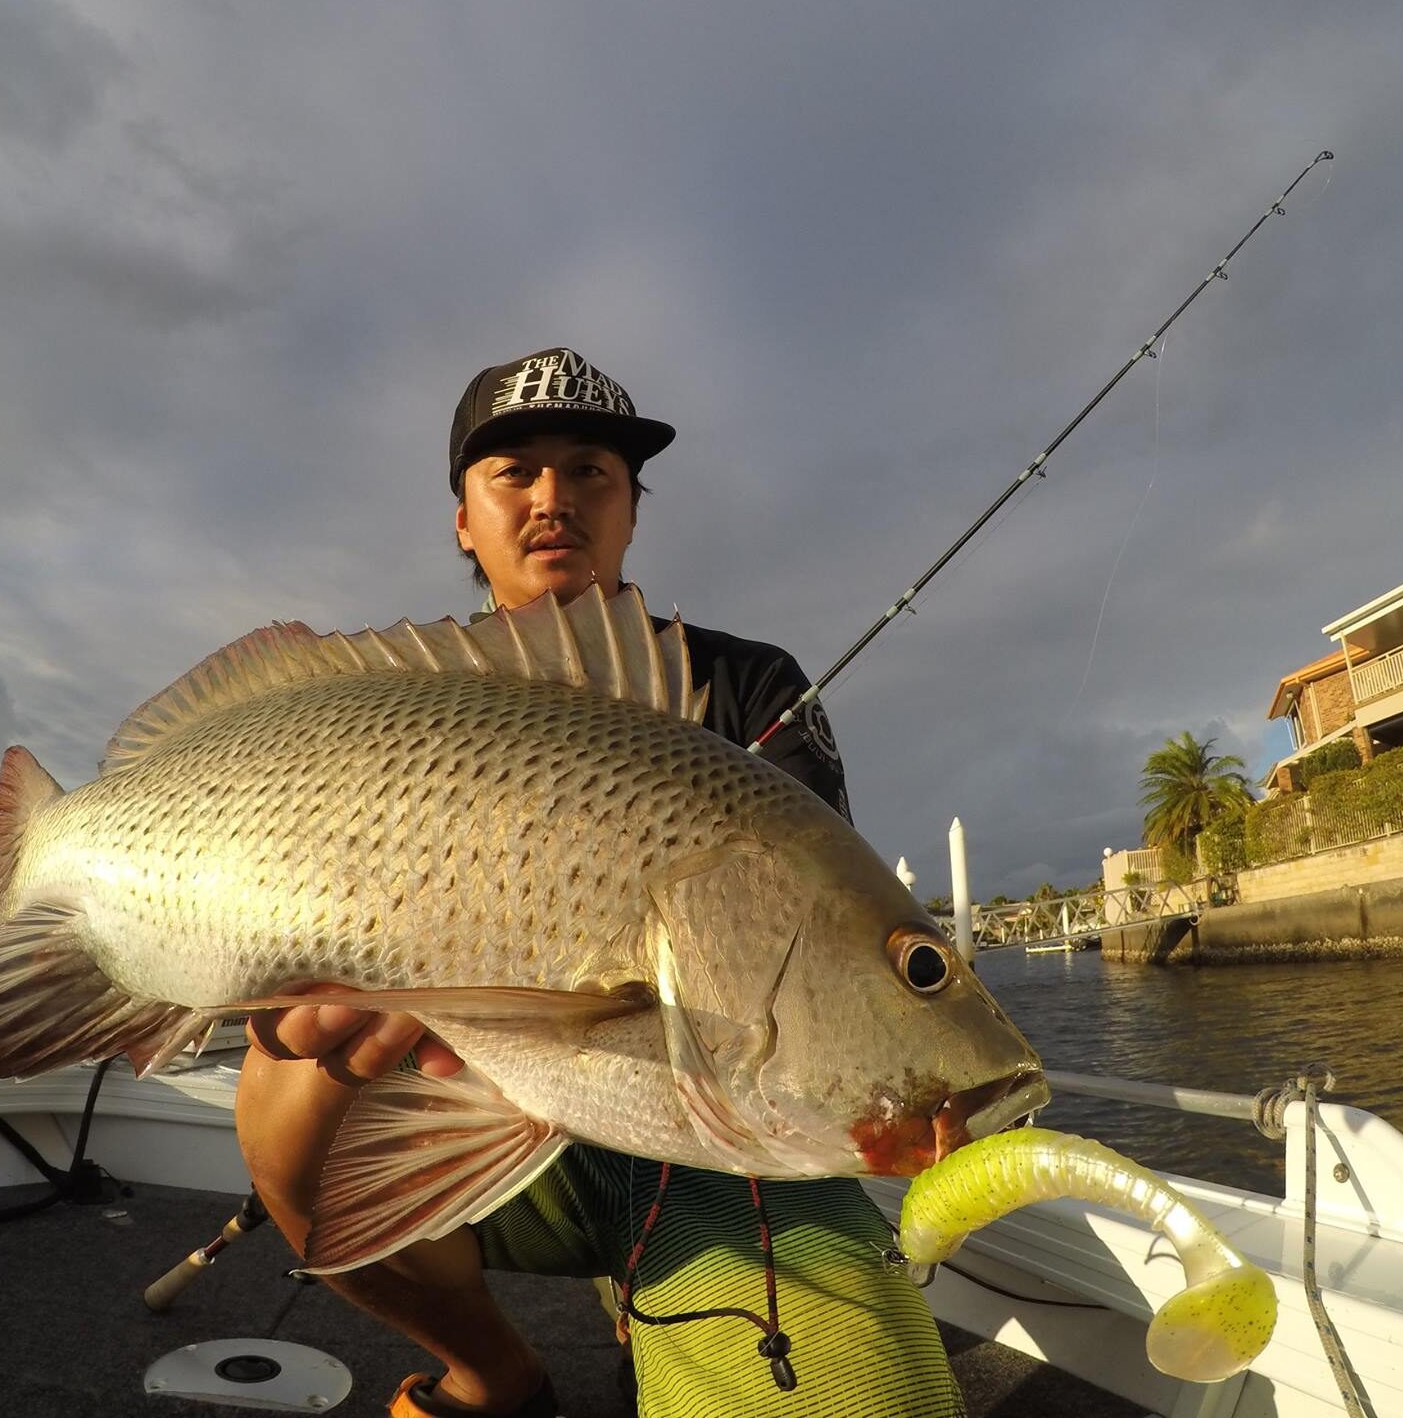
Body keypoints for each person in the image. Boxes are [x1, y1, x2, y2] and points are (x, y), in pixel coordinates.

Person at [234, 348, 965, 1418]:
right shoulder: (404, 706)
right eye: (514, 472)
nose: (553, 498)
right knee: (282, 1090)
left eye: (590, 471)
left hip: (721, 1136)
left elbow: (820, 949)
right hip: (483, 1092)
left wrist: (905, 1089)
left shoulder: (748, 681)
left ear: (630, 510)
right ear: (463, 520)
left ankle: (671, 1296)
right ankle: (492, 1373)